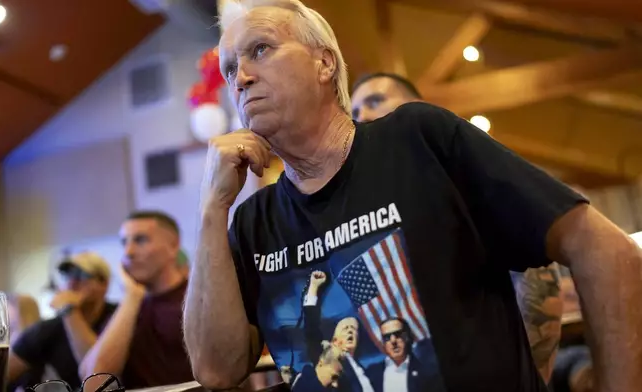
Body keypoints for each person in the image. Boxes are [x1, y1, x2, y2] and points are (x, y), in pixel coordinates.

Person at [183, 1, 642, 391]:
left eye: (260, 50)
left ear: (324, 63)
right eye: (228, 69)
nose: (239, 77)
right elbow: (216, 370)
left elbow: (605, 250)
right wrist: (210, 209)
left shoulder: (417, 139)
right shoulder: (252, 220)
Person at [350, 71, 564, 384]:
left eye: (376, 101)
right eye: (354, 112)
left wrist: (532, 374)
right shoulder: (367, 203)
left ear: (418, 107)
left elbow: (537, 277)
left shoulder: (459, 176)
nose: (363, 116)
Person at [79, 211, 193, 389]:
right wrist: (132, 296)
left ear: (173, 246)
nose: (128, 252)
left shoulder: (196, 301)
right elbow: (94, 379)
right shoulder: (128, 308)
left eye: (140, 240)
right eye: (124, 242)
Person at [7, 252, 116, 390]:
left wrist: (69, 311)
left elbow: (98, 375)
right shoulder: (47, 330)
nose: (72, 282)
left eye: (81, 275)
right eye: (68, 275)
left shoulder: (119, 318)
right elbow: (5, 373)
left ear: (104, 284)